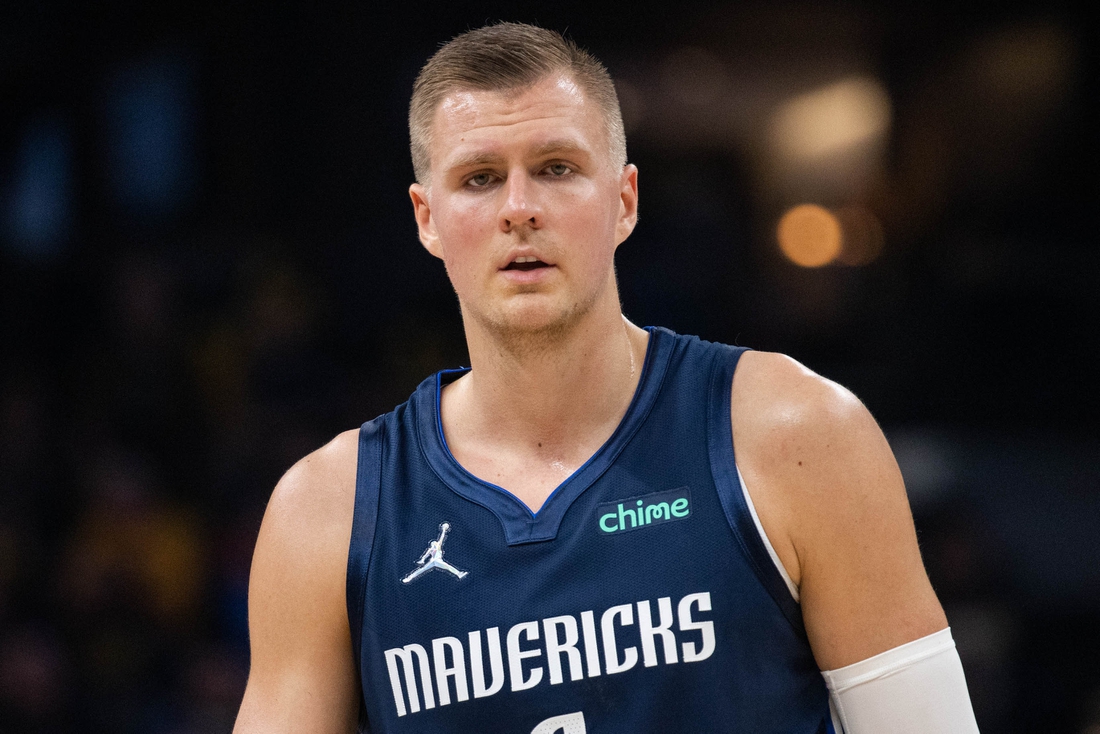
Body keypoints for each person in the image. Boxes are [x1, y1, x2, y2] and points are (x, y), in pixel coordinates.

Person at [233, 22, 979, 734]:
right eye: (480, 179)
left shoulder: (799, 437)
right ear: (427, 219)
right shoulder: (326, 516)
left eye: (556, 169)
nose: (519, 210)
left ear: (624, 200)